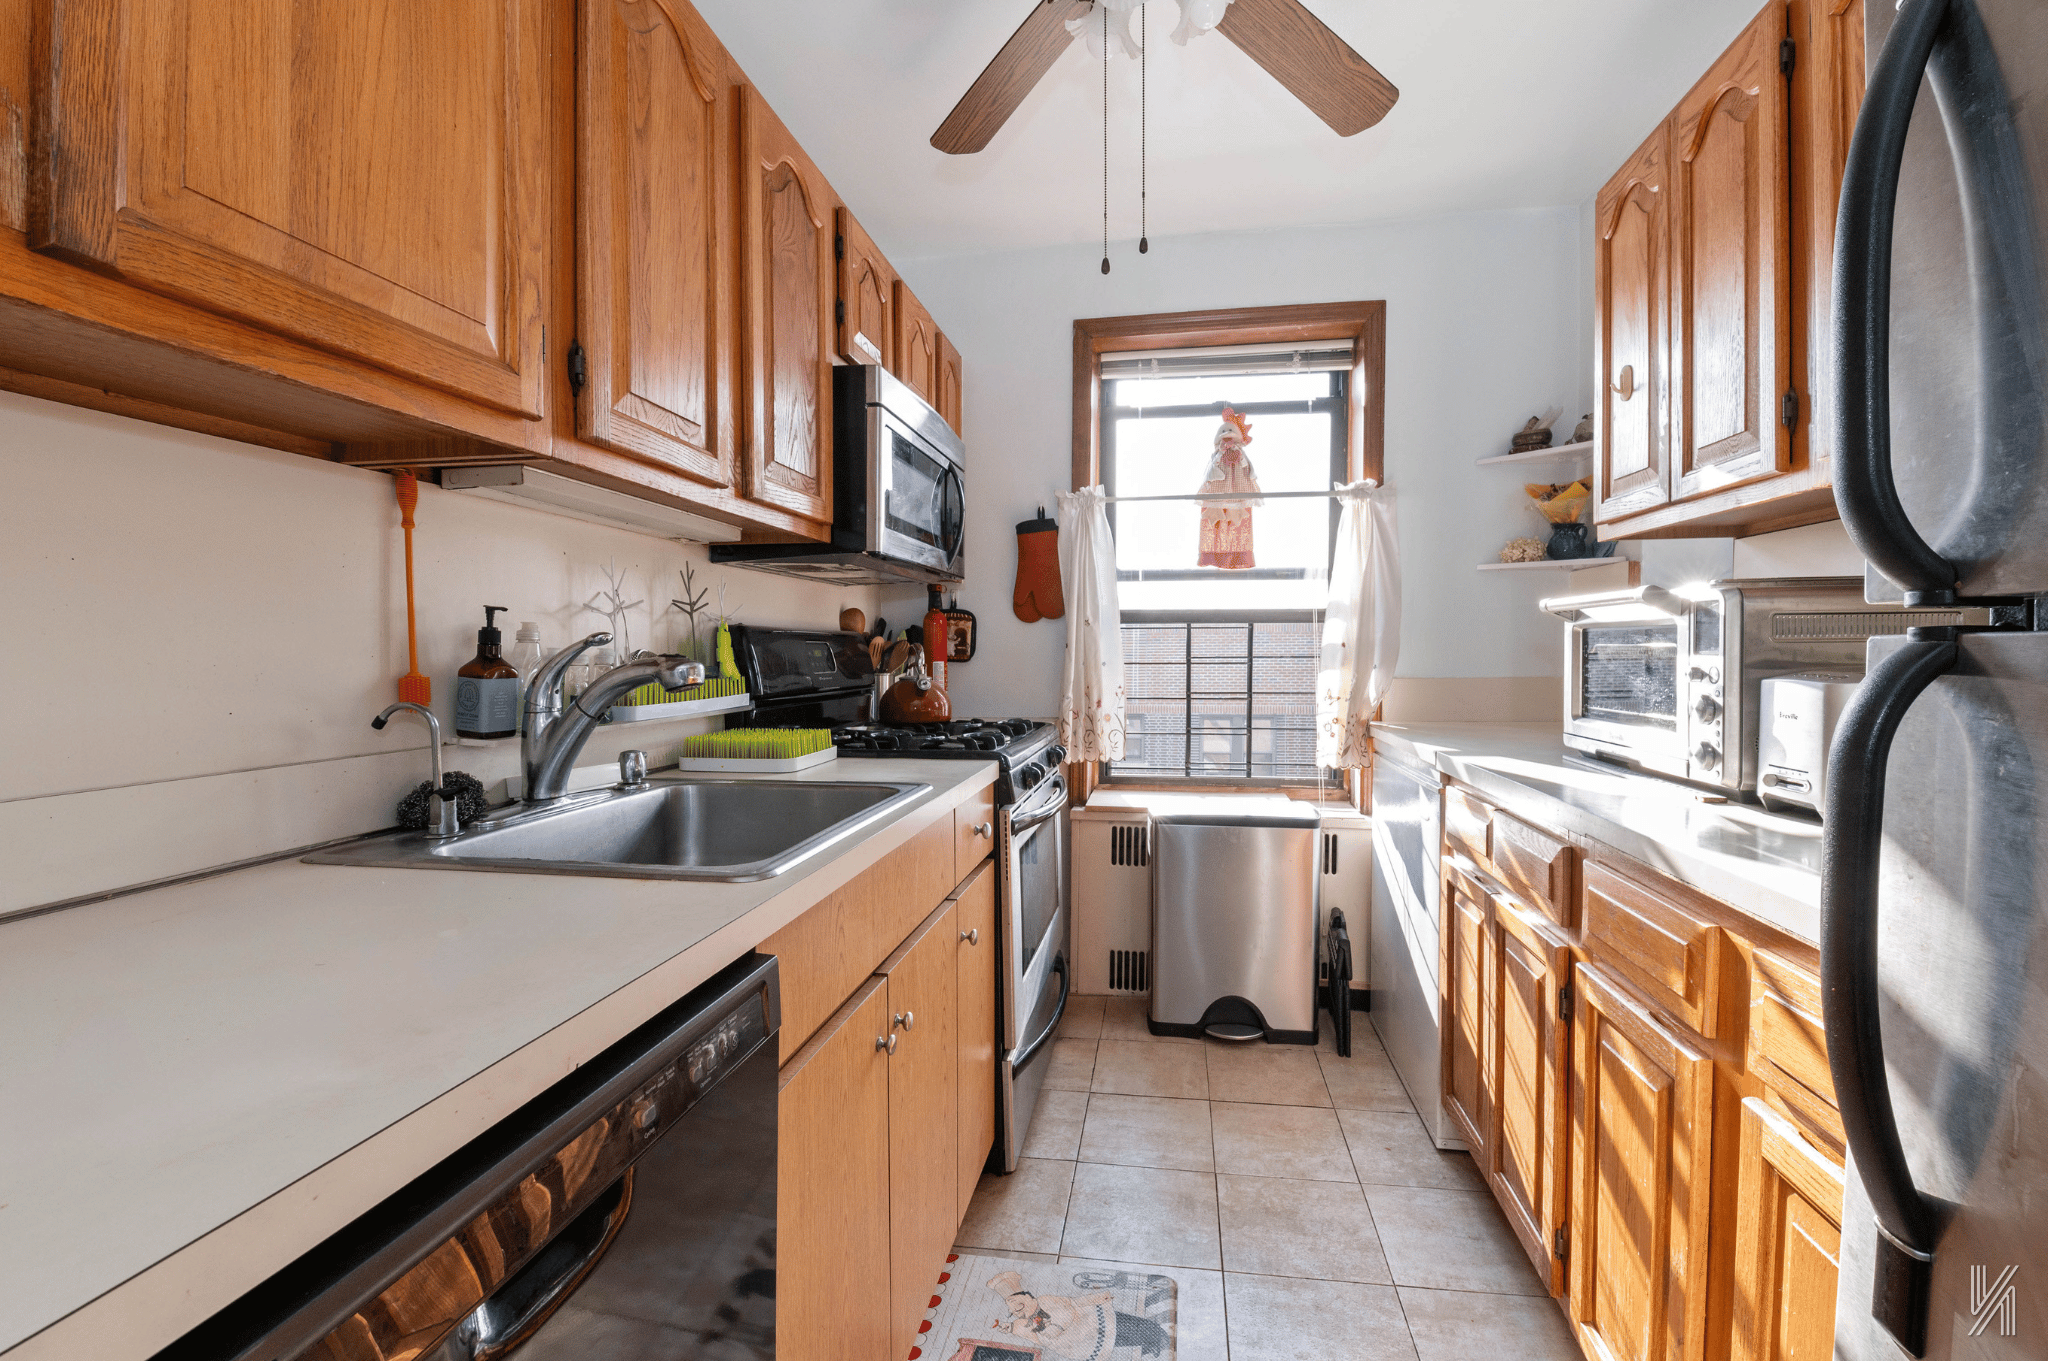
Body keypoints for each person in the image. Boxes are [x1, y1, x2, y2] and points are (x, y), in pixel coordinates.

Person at [983, 1270, 1170, 1359]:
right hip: (1084, 1340)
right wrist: (1010, 1328)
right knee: (1115, 1340)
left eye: (1017, 1302)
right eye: (1015, 1310)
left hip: (1090, 1319)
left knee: (1123, 1324)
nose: (1017, 1309)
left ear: (1027, 1296)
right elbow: (1028, 1332)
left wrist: (1097, 1298)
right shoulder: (1028, 1323)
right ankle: (1151, 1343)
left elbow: (1073, 1302)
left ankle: (1156, 1334)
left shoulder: (1046, 1300)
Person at [1196, 406, 1259, 569]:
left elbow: (1247, 466)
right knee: (1216, 519)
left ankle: (1238, 557)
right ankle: (1214, 555)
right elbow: (1212, 468)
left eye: (1230, 430)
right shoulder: (1218, 454)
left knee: (1237, 519)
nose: (1226, 434)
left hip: (1237, 490)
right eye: (1223, 431)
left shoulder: (1239, 452)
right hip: (1219, 490)